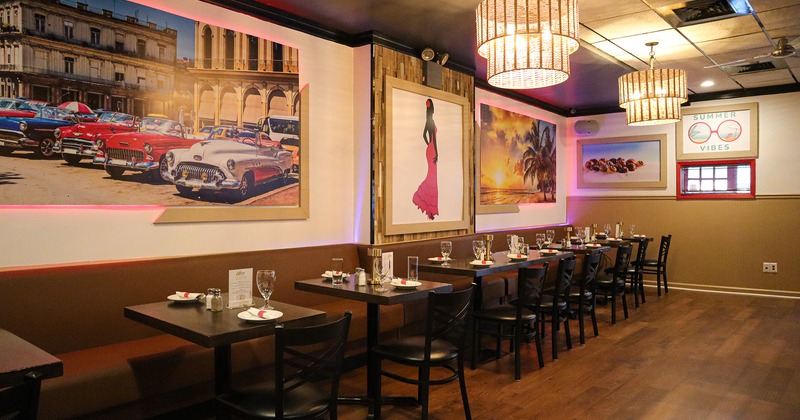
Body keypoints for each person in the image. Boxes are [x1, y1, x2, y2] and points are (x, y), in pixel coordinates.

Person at [412, 98, 439, 220]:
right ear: (431, 109)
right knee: (433, 177)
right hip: (432, 150)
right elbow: (435, 140)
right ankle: (430, 209)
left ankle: (430, 209)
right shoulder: (431, 121)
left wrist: (428, 144)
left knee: (431, 176)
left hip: (429, 149)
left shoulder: (428, 121)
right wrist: (435, 150)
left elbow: (424, 135)